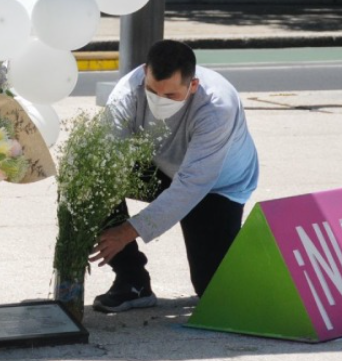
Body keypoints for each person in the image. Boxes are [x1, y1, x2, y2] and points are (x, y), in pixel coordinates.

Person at [88, 40, 259, 312]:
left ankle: (255, 255)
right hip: (159, 167)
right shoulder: (128, 90)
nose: (159, 101)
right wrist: (90, 213)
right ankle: (133, 281)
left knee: (215, 291)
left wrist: (127, 231)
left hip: (215, 186)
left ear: (193, 85)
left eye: (170, 95)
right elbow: (106, 158)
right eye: (152, 91)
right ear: (145, 72)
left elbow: (191, 186)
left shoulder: (217, 107)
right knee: (92, 180)